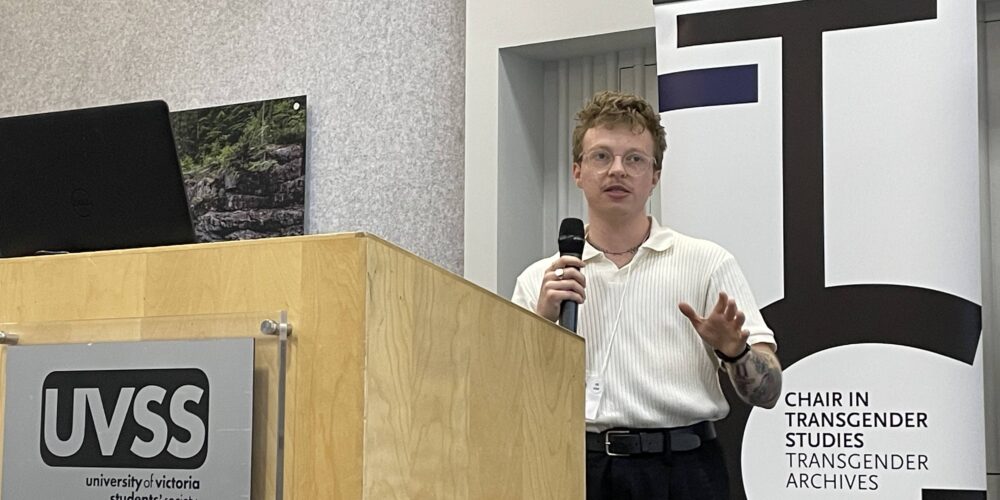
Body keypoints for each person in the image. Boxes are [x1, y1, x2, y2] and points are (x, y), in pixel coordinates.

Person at [511, 90, 782, 500]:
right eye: (601, 156)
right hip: (576, 469)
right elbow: (511, 395)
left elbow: (769, 392)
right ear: (577, 171)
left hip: (684, 472)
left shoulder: (706, 262)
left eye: (634, 159)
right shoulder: (540, 281)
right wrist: (541, 322)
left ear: (654, 176)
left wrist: (735, 352)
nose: (617, 170)